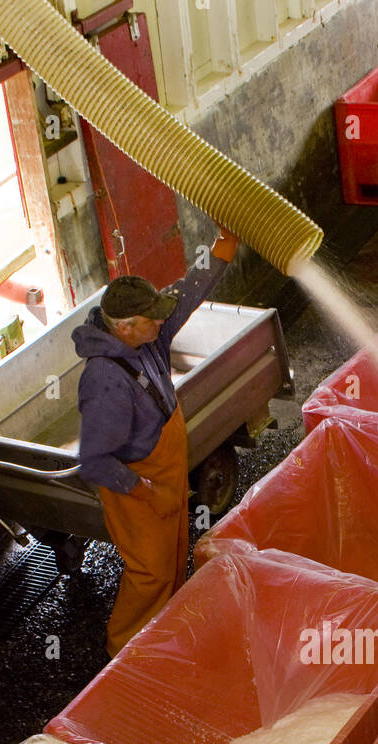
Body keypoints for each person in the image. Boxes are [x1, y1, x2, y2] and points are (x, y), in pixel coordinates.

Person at [74, 227, 237, 658]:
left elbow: (184, 294)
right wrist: (144, 490)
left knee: (171, 561)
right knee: (149, 573)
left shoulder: (148, 337)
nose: (164, 320)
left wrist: (222, 249)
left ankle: (161, 638)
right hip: (136, 488)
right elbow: (93, 459)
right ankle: (123, 654)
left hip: (163, 475)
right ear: (126, 327)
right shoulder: (105, 381)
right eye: (154, 318)